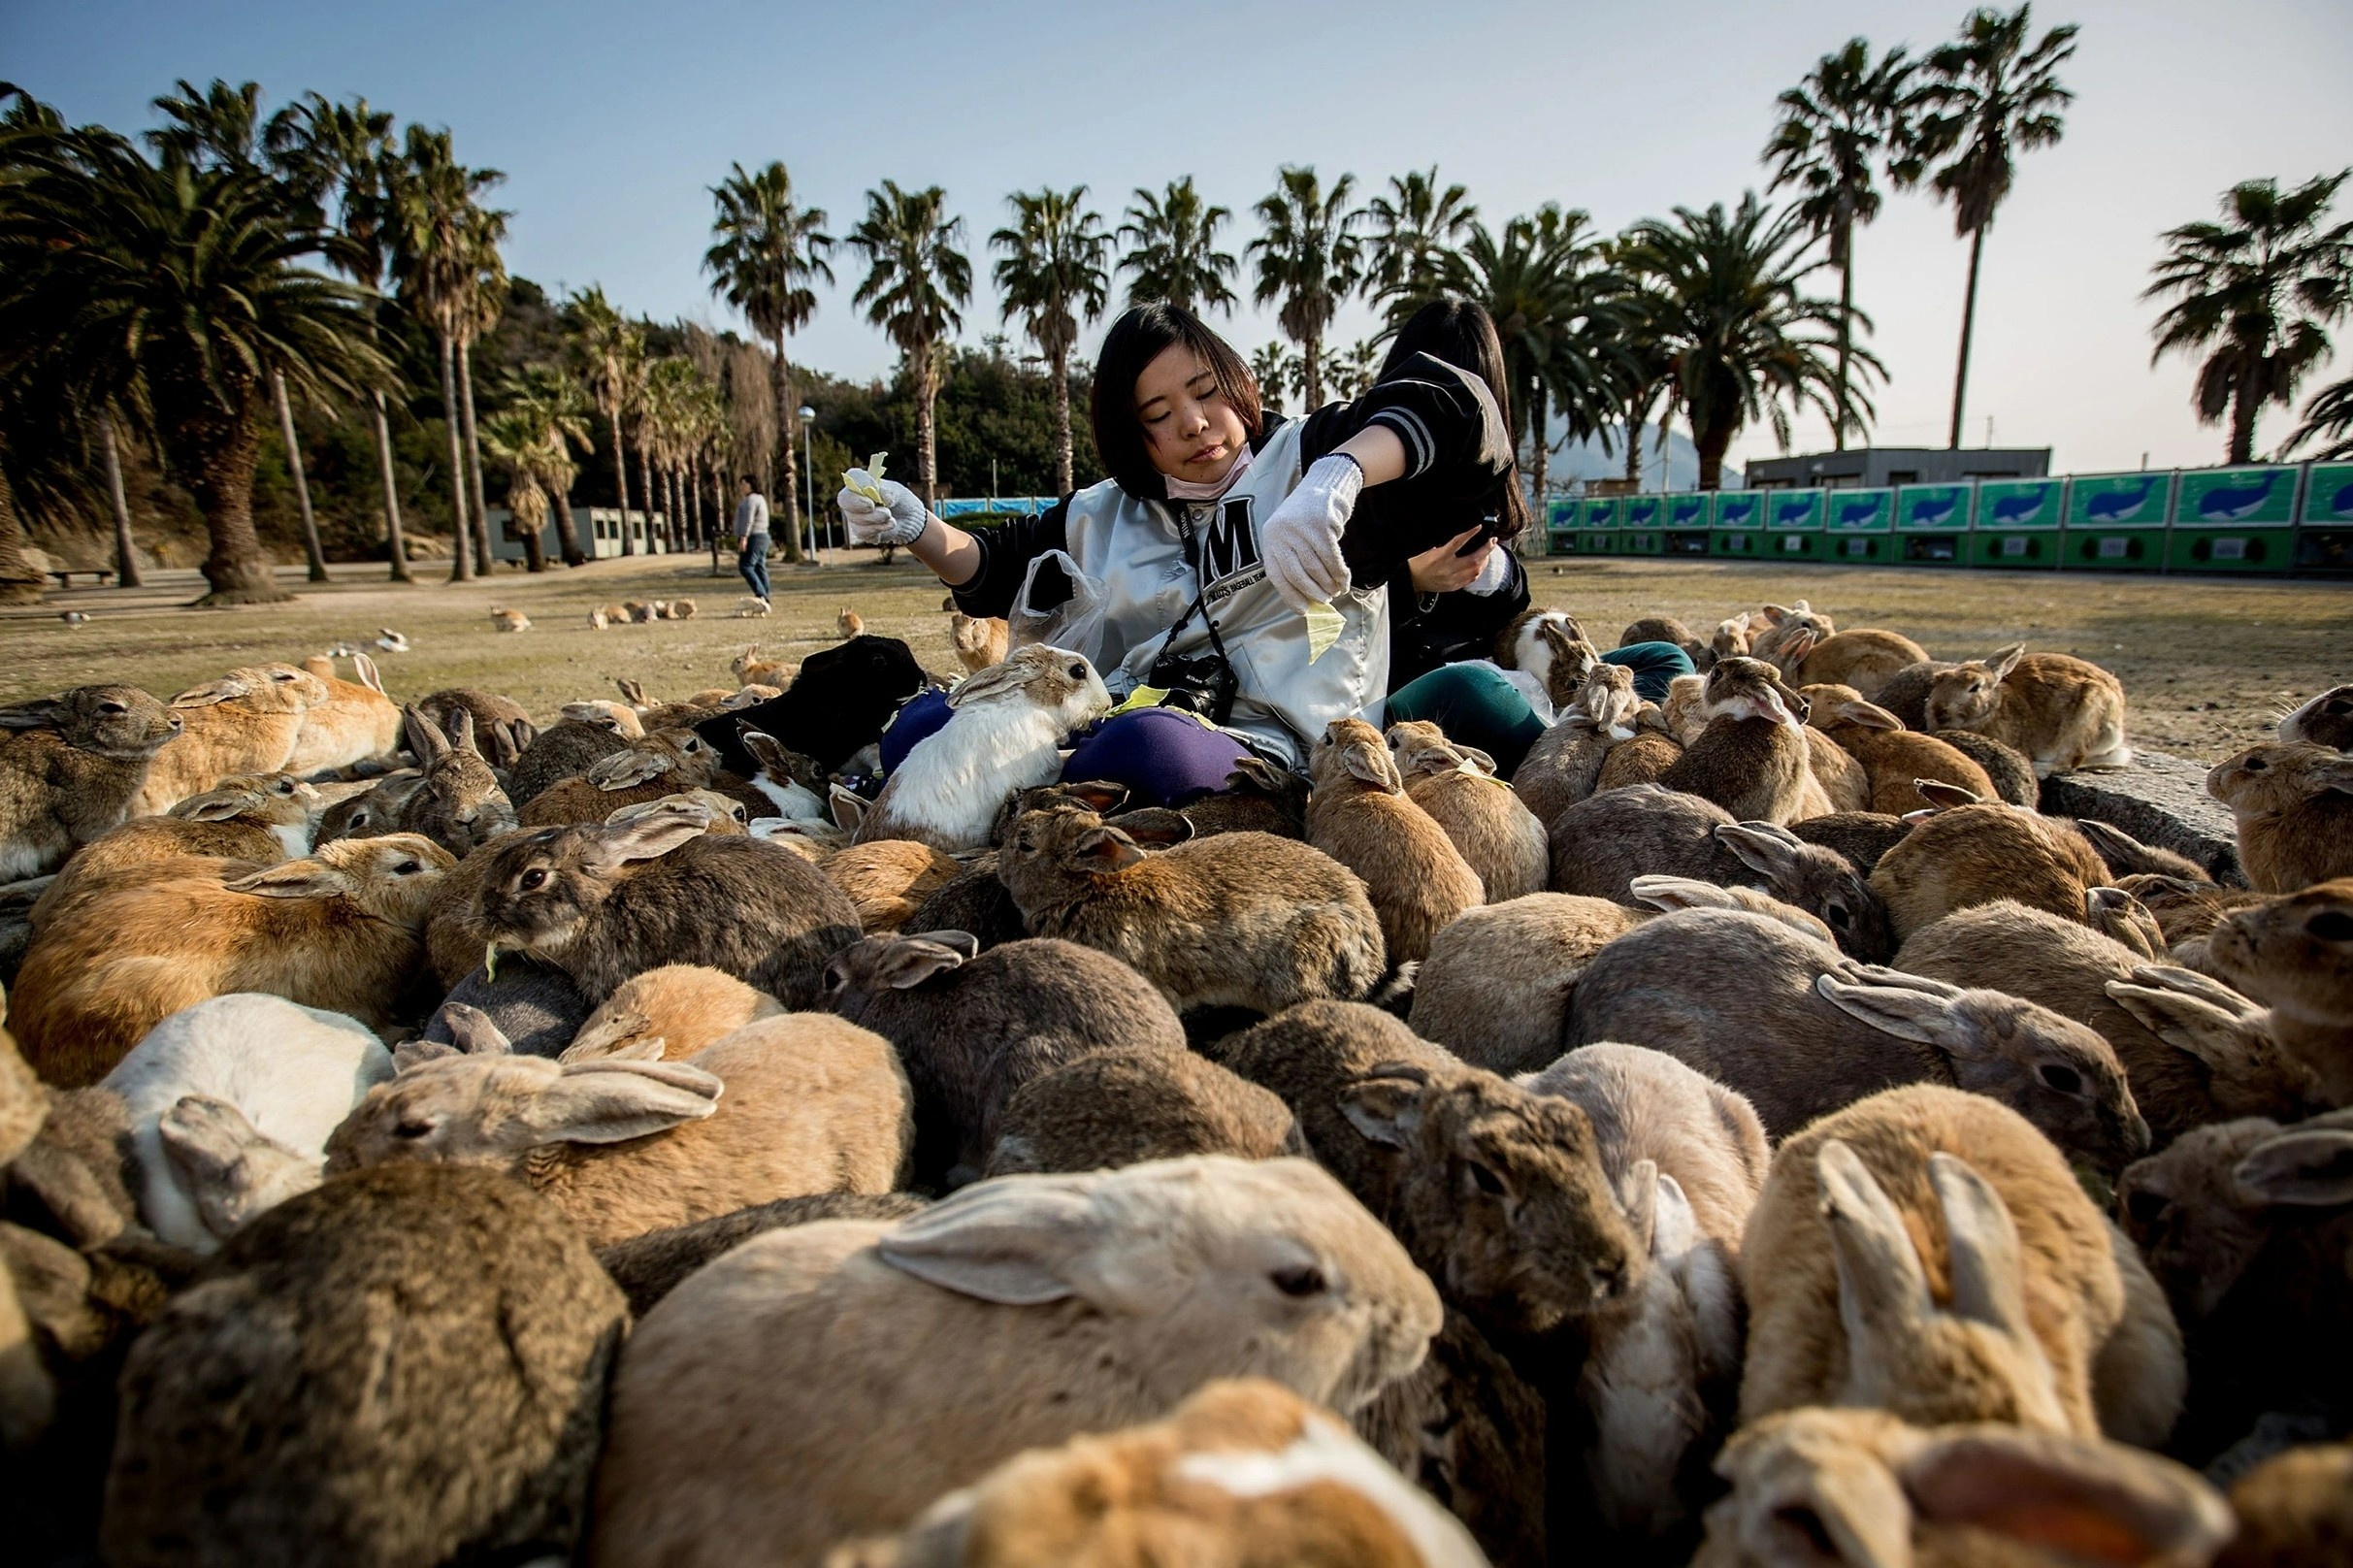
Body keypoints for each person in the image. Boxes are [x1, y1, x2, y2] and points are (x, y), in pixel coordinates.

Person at [836, 303, 1512, 804]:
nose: (1192, 422)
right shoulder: (1099, 510)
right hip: (1108, 717)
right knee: (923, 722)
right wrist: (915, 523)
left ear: (1235, 380)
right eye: (1157, 414)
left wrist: (1340, 475)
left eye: (1206, 391)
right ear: (1131, 434)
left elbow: (1463, 408)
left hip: (1276, 748)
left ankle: (1018, 785)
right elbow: (986, 571)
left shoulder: (1304, 456)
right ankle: (1036, 780)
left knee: (1146, 750)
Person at [734, 475, 771, 604]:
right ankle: (765, 597)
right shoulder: (759, 499)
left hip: (754, 536)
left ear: (750, 485)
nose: (741, 487)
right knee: (760, 566)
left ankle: (762, 595)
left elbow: (748, 520)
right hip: (762, 536)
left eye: (743, 484)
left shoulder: (752, 500)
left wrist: (743, 537)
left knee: (745, 566)